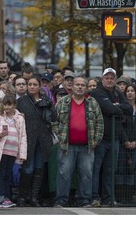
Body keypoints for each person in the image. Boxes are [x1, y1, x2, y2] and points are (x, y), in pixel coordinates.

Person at [52, 76, 104, 208]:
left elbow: (100, 123)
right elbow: (54, 122)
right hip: (66, 146)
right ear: (72, 86)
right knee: (64, 174)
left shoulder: (92, 103)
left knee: (86, 174)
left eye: (82, 85)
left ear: (86, 88)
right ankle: (61, 201)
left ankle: (85, 201)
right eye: (77, 84)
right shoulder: (63, 102)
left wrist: (96, 140)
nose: (80, 87)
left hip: (87, 147)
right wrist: (60, 138)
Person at [90, 68, 133, 207]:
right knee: (95, 170)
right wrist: (117, 108)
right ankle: (94, 197)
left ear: (115, 80)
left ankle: (108, 198)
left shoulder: (117, 92)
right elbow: (108, 109)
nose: (109, 80)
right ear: (102, 79)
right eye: (107, 78)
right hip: (100, 138)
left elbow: (129, 108)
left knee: (110, 171)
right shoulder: (97, 92)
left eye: (112, 78)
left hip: (114, 138)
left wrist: (116, 107)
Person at [16, 75, 57, 207]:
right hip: (28, 139)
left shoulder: (46, 100)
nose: (32, 87)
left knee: (39, 169)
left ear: (39, 86)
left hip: (43, 140)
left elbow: (54, 118)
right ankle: (22, 197)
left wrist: (49, 105)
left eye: (34, 84)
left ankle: (34, 198)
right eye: (30, 85)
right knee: (28, 169)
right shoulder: (22, 101)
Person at [0, 94, 27, 208]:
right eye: (5, 104)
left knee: (8, 174)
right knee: (1, 173)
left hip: (13, 152)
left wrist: (22, 154)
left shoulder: (20, 119)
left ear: (15, 105)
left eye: (10, 105)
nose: (7, 107)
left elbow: (23, 136)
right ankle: (0, 198)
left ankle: (6, 198)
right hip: (2, 151)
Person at [115, 84, 136, 204]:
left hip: (135, 143)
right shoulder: (122, 107)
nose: (130, 93)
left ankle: (129, 197)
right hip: (123, 143)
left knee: (131, 169)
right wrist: (126, 141)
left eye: (132, 91)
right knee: (121, 169)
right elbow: (120, 126)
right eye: (128, 91)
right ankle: (120, 196)